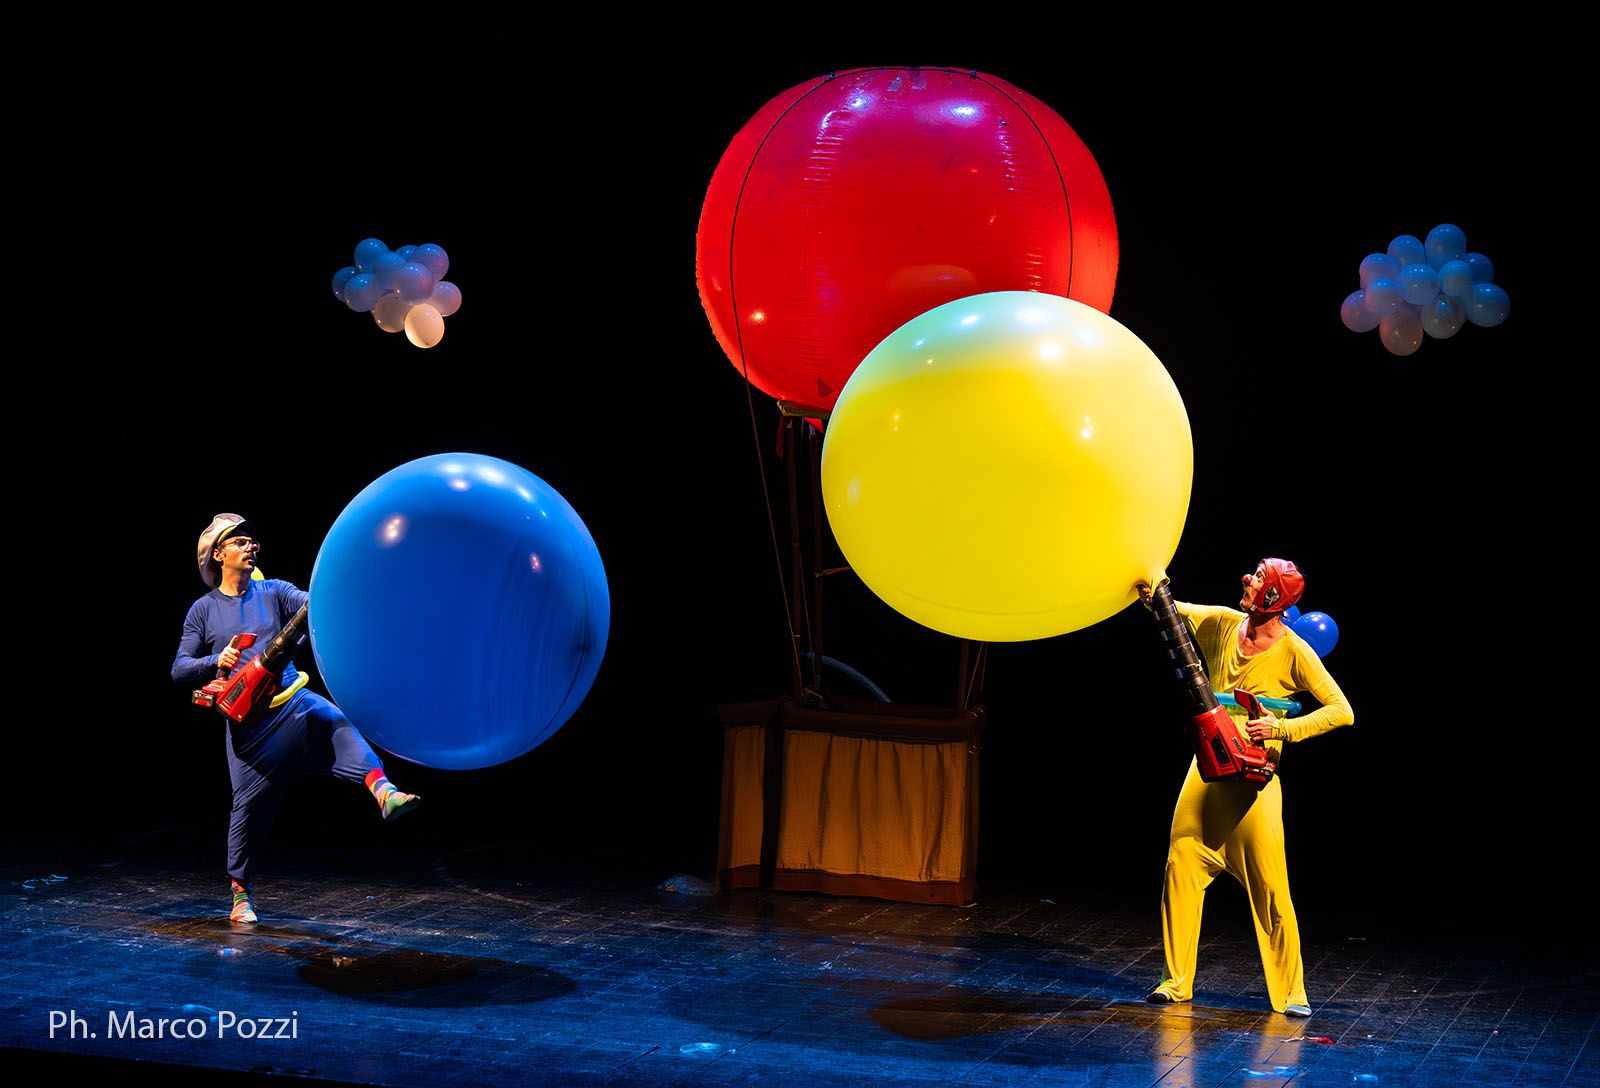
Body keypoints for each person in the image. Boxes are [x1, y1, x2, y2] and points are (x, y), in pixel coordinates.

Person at [172, 513, 421, 924]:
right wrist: (217, 659)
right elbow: (179, 668)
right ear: (218, 554)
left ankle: (384, 792)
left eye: (252, 541)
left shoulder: (274, 591)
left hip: (293, 706)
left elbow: (314, 605)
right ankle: (240, 895)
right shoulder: (203, 610)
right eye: (240, 542)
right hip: (250, 731)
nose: (251, 546)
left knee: (336, 722)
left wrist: (349, 585)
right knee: (247, 812)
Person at [1140, 559, 1353, 1017]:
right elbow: (1172, 609)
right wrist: (1150, 582)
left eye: (1257, 577)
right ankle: (1175, 982)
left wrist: (1281, 728)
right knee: (1181, 866)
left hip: (1253, 782)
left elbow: (1341, 710)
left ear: (1273, 597)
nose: (1246, 579)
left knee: (1271, 888)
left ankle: (1291, 994)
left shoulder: (1294, 650)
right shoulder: (1223, 623)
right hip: (1206, 771)